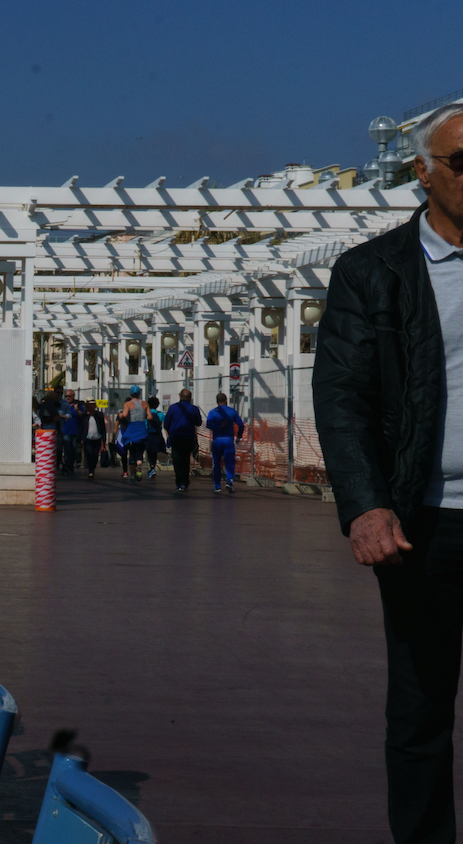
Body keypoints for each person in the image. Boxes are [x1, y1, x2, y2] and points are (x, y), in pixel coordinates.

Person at [312, 102, 463, 844]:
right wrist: (366, 506)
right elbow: (342, 398)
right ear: (423, 173)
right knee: (421, 704)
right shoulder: (371, 273)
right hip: (423, 522)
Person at [163, 389, 203, 492]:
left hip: (176, 437)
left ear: (180, 396)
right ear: (190, 398)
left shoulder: (173, 408)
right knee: (186, 460)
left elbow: (166, 423)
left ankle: (179, 482)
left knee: (177, 460)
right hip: (189, 437)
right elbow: (198, 423)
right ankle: (185, 481)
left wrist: (169, 432)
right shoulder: (194, 409)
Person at [205, 393, 245, 494]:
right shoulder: (232, 411)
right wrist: (239, 436)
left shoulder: (213, 412)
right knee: (230, 462)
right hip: (228, 440)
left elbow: (208, 425)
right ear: (226, 401)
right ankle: (230, 481)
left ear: (217, 401)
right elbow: (241, 425)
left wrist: (218, 427)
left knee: (216, 463)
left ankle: (217, 486)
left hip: (217, 440)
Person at [118, 386, 150, 481]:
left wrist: (120, 415)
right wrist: (143, 415)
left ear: (131, 393)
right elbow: (150, 417)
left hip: (132, 428)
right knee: (139, 451)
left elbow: (124, 415)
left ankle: (132, 475)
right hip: (141, 428)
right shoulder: (145, 403)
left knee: (131, 452)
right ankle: (139, 464)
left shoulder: (128, 404)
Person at [81, 401, 106, 478]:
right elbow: (81, 427)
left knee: (95, 455)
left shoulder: (99, 415)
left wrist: (104, 441)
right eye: (90, 405)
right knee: (90, 453)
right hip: (87, 438)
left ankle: (93, 468)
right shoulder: (84, 415)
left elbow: (102, 428)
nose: (91, 407)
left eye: (93, 405)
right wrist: (81, 438)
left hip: (97, 438)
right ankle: (90, 471)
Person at [144, 396, 167, 479]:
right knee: (154, 452)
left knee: (149, 452)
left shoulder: (146, 414)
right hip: (157, 435)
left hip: (148, 435)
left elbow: (144, 425)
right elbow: (164, 426)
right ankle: (152, 467)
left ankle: (151, 467)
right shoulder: (160, 414)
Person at [59, 390, 81, 473]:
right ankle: (67, 466)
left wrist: (77, 409)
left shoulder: (77, 405)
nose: (68, 398)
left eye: (69, 396)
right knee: (67, 450)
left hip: (75, 431)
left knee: (74, 449)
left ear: (73, 396)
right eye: (66, 396)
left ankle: (71, 465)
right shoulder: (64, 405)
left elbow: (82, 416)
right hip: (66, 431)